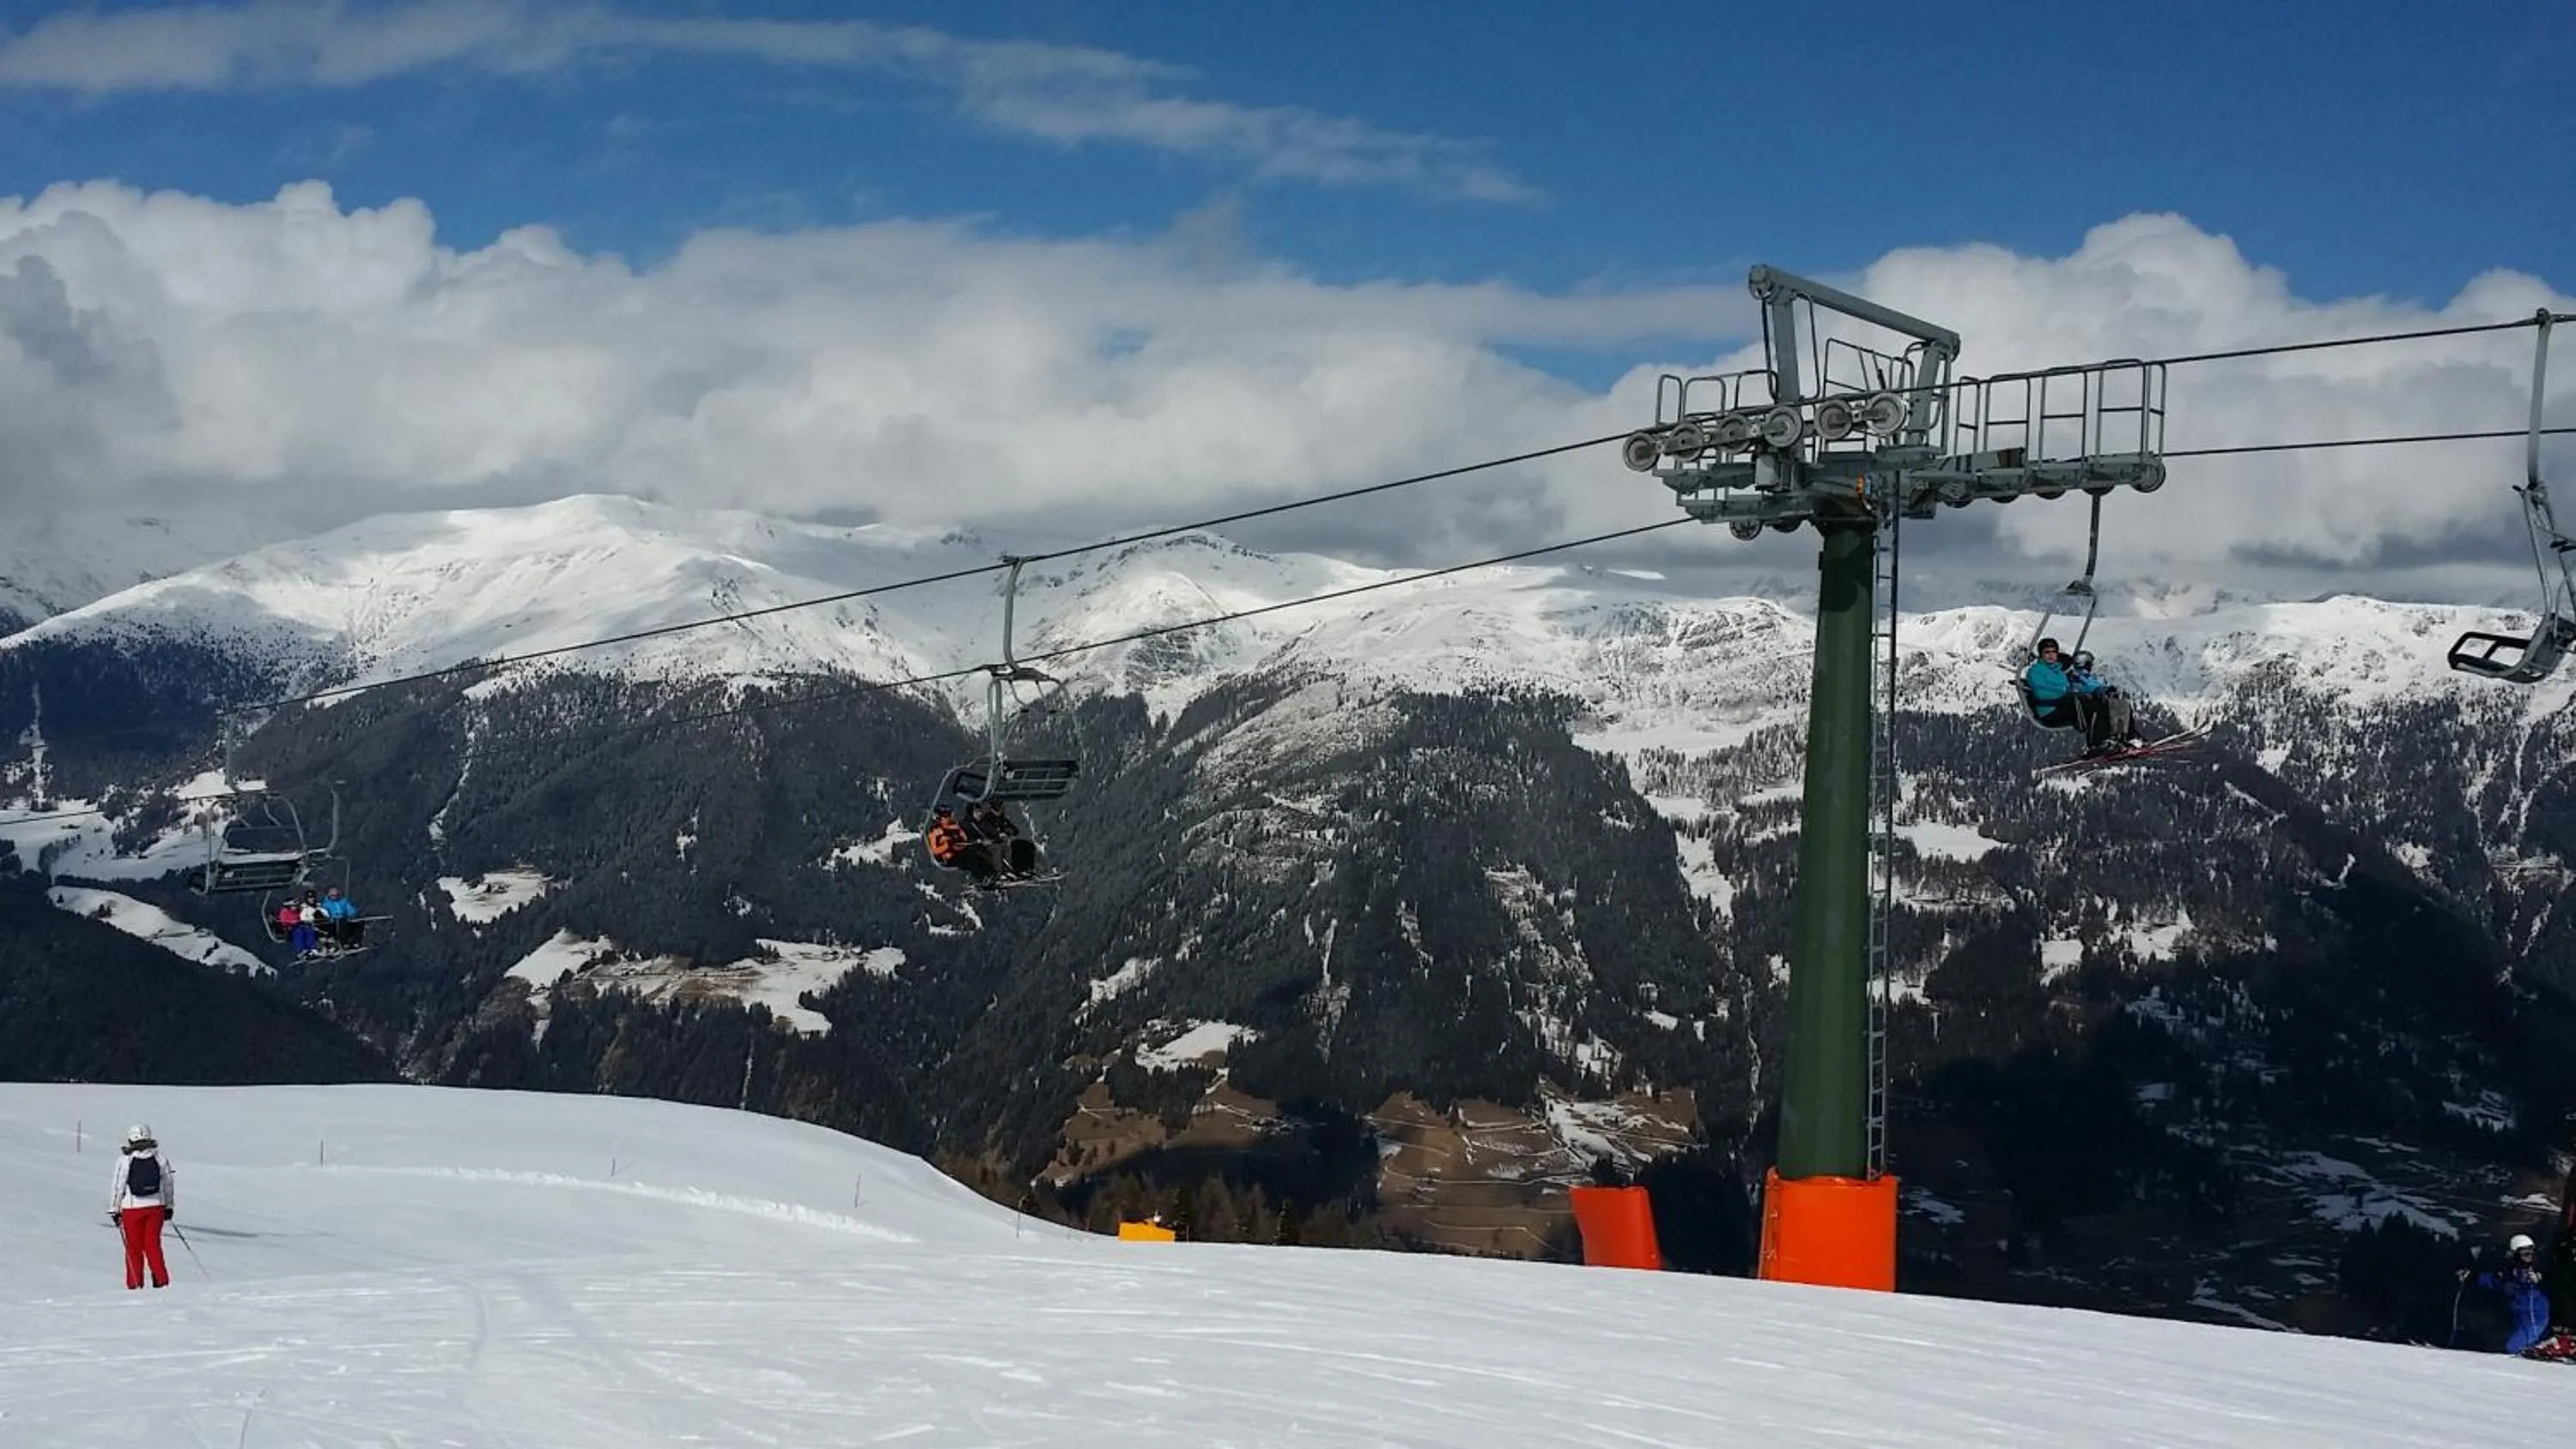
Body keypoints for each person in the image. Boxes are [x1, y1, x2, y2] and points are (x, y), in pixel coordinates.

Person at [2025, 638, 2142, 755]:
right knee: (2094, 709)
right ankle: (2097, 744)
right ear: (2041, 655)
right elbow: (2041, 693)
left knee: (2106, 705)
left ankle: (2125, 737)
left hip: (2064, 704)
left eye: (2053, 652)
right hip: (2049, 710)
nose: (2051, 655)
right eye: (2047, 652)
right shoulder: (2035, 671)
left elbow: (2072, 687)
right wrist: (2065, 695)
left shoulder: (2059, 672)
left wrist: (2095, 690)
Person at [2459, 1233, 2552, 1355]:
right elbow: (2494, 1280)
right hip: (2516, 1314)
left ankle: (2541, 1348)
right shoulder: (2510, 1271)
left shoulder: (2537, 1269)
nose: (2529, 1257)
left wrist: (2537, 1281)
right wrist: (2472, 1276)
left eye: (2531, 1253)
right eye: (2525, 1254)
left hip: (2535, 1315)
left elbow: (2549, 1280)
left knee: (2513, 1347)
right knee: (2501, 1340)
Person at [110, 1124, 174, 1290]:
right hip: (156, 1207)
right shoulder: (160, 1158)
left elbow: (118, 1186)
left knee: (133, 1247)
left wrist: (115, 1209)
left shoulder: (125, 1160)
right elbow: (168, 1183)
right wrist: (169, 1206)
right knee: (153, 1245)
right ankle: (161, 1281)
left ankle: (135, 1283)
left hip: (132, 1208)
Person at [967, 801, 1042, 878]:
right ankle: (1003, 872)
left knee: (1027, 846)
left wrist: (1008, 831)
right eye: (998, 809)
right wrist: (999, 835)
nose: (1000, 811)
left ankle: (1027, 868)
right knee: (1002, 849)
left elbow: (1015, 830)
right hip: (995, 843)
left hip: (1005, 841)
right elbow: (989, 832)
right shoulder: (987, 819)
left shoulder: (1002, 819)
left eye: (1001, 808)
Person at [925, 807, 997, 883]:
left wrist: (972, 841)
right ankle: (982, 878)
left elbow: (963, 838)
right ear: (940, 818)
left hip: (960, 850)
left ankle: (993, 873)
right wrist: (947, 845)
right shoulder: (936, 831)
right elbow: (935, 850)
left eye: (950, 815)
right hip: (949, 857)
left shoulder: (954, 826)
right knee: (970, 857)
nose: (950, 818)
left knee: (979, 853)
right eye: (947, 816)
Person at [319, 885, 361, 951]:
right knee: (341, 923)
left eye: (336, 895)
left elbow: (350, 909)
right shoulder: (326, 904)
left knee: (359, 924)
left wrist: (352, 914)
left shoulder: (343, 902)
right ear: (329, 895)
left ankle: (355, 941)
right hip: (333, 922)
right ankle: (344, 942)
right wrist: (332, 917)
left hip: (345, 919)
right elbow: (324, 914)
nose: (335, 897)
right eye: (333, 895)